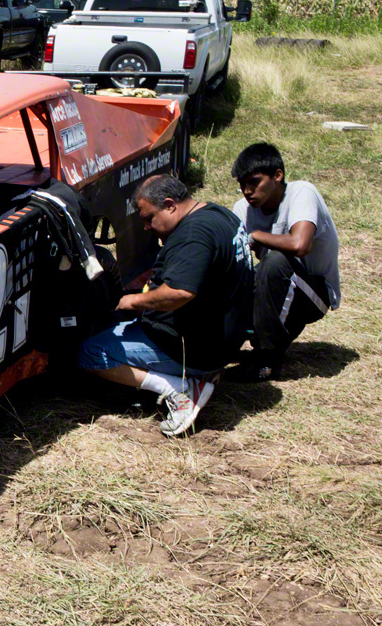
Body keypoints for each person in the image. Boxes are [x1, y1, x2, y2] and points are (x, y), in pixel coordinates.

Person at [77, 174, 254, 436]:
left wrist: (131, 300)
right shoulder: (220, 215)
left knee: (92, 352)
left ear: (170, 205)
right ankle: (199, 374)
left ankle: (180, 390)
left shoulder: (193, 236)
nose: (146, 227)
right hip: (223, 339)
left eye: (149, 218)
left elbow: (179, 293)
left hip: (197, 348)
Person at [229, 142, 341, 381]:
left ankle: (267, 358)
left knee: (276, 260)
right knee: (231, 275)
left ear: (277, 175)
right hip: (276, 287)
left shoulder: (302, 193)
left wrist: (257, 236)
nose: (247, 191)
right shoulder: (242, 209)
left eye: (254, 182)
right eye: (242, 184)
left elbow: (300, 245)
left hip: (315, 293)